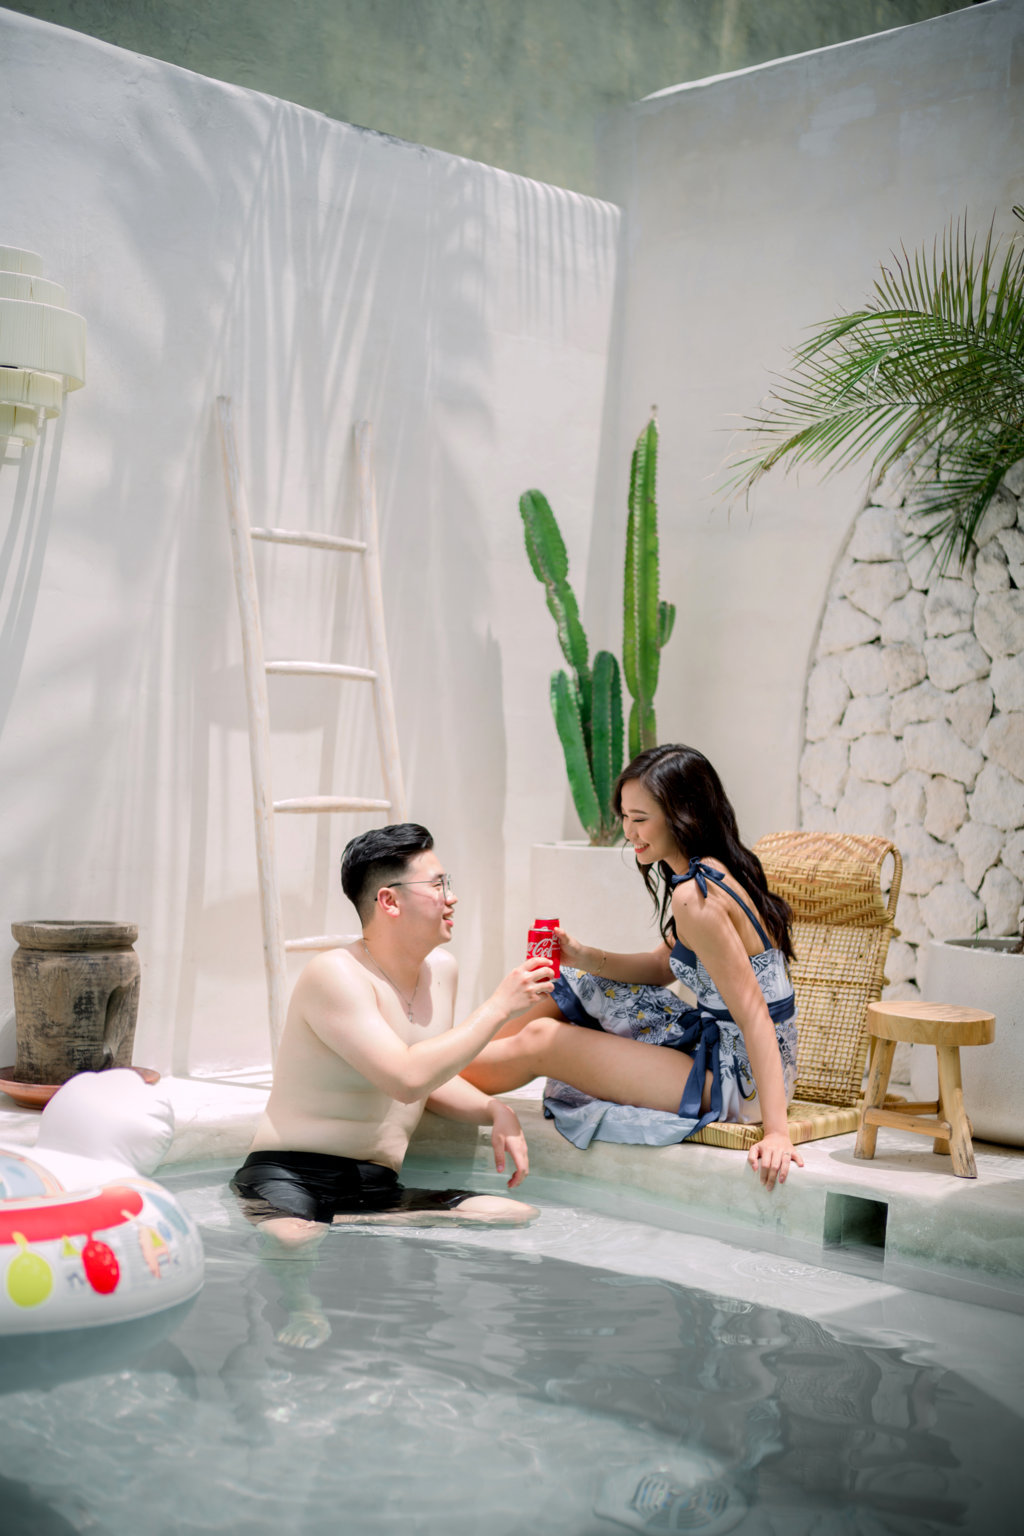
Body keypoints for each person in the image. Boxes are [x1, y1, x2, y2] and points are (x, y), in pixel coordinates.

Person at [461, 744, 804, 1191]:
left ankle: (430, 1076)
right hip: (726, 1048)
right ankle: (450, 1060)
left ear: (683, 815)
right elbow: (662, 965)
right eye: (625, 816)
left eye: (640, 818)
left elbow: (754, 1013)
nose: (628, 831)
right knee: (568, 981)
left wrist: (777, 1132)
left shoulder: (696, 898)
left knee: (544, 1040)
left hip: (742, 1081)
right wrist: (582, 955)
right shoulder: (713, 870)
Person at [231, 823, 554, 1254]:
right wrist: (498, 1007)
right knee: (295, 1238)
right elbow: (405, 1079)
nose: (452, 897)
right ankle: (314, 1274)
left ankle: (350, 1231)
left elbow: (431, 1077)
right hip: (289, 1175)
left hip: (376, 1185)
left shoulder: (442, 971)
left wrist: (494, 1109)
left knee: (511, 1214)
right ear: (389, 900)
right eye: (438, 885)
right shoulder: (335, 973)